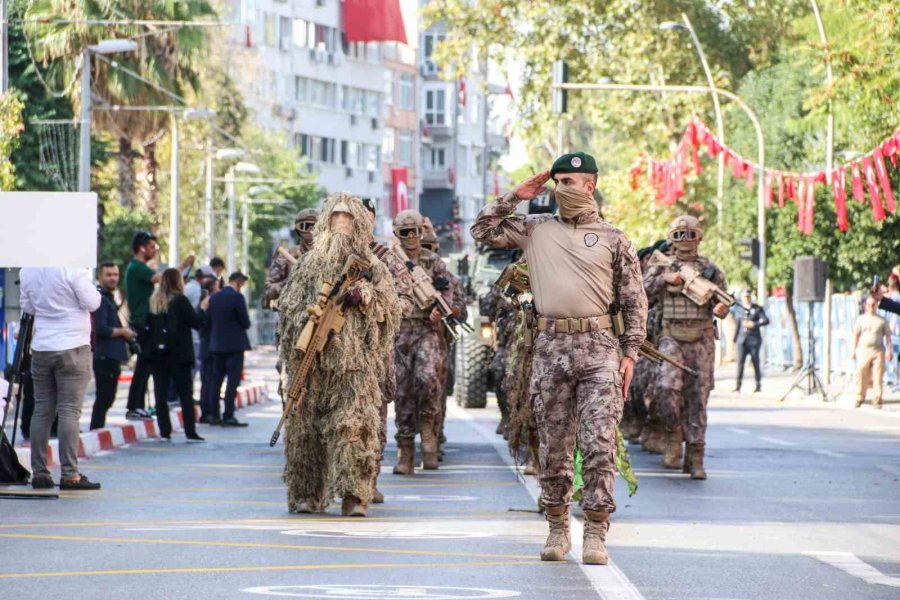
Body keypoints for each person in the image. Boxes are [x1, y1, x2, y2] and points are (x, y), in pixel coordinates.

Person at [472, 152, 647, 566]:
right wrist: (517, 194)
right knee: (553, 445)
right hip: (550, 348)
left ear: (591, 185)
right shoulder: (534, 230)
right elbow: (482, 230)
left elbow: (635, 300)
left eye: (571, 181)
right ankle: (556, 527)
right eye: (558, 181)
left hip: (600, 348)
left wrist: (631, 353)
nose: (562, 189)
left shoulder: (614, 238)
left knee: (599, 442)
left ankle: (596, 531)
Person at [277, 193, 400, 516]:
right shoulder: (309, 264)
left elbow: (391, 309)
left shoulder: (372, 266)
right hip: (311, 361)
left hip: (354, 365)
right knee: (305, 430)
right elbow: (288, 310)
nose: (341, 226)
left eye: (348, 220)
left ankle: (354, 495)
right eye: (336, 219)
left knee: (353, 428)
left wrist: (366, 296)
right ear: (325, 223)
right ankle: (306, 493)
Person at [643, 216, 729, 479]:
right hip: (671, 336)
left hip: (701, 337)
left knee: (698, 398)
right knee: (666, 387)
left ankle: (695, 455)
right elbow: (641, 291)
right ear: (671, 238)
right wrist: (666, 279)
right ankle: (672, 434)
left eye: (690, 234)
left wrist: (721, 309)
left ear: (699, 237)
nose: (684, 240)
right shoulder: (660, 266)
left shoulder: (711, 270)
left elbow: (722, 302)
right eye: (679, 235)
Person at [20, 267, 102, 490]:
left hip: (42, 347)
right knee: (68, 410)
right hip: (73, 346)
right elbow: (93, 302)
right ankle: (69, 474)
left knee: (42, 410)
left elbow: (27, 307)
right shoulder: (72, 269)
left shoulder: (28, 270)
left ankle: (39, 472)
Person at [391, 209, 454, 474]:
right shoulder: (389, 262)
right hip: (399, 332)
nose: (411, 237)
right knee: (402, 390)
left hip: (427, 330)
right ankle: (405, 451)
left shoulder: (434, 261)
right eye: (405, 232)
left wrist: (442, 308)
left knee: (428, 379)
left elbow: (447, 290)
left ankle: (428, 430)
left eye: (415, 231)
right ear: (398, 234)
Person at [125, 231, 194, 420]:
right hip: (141, 321)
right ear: (142, 248)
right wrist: (184, 265)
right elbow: (164, 278)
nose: (155, 251)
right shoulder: (137, 267)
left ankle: (136, 405)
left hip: (144, 320)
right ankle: (133, 406)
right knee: (144, 364)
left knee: (146, 364)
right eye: (152, 247)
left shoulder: (139, 268)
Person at [142, 268, 208, 442]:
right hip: (180, 354)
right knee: (185, 394)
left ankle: (165, 431)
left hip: (158, 355)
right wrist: (202, 307)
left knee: (160, 394)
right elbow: (196, 323)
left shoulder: (154, 302)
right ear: (178, 282)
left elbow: (147, 328)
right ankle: (190, 431)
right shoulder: (181, 301)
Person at [90, 263, 136, 430]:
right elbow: (101, 329)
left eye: (115, 275)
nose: (113, 278)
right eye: (108, 275)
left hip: (112, 356)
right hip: (104, 355)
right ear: (100, 277)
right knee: (104, 397)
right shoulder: (99, 299)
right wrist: (123, 331)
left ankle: (97, 429)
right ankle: (96, 429)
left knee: (108, 397)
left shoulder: (109, 297)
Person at [208, 271, 252, 427]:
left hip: (217, 345)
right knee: (232, 382)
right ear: (239, 282)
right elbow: (245, 322)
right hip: (234, 346)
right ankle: (228, 415)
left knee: (216, 381)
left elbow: (208, 321)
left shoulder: (214, 297)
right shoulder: (238, 298)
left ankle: (214, 415)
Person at [265, 208, 319, 309]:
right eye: (305, 226)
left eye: (315, 226)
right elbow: (268, 293)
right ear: (298, 229)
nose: (310, 230)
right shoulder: (285, 256)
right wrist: (290, 281)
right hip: (292, 318)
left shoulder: (330, 257)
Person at [852, 295, 892, 409]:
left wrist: (889, 350)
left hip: (878, 349)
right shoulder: (861, 319)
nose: (871, 307)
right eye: (869, 305)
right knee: (861, 372)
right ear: (865, 306)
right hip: (864, 349)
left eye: (873, 305)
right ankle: (860, 397)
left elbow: (888, 337)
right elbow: (856, 335)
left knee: (878, 375)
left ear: (876, 306)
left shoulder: (882, 320)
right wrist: (853, 349)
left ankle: (877, 399)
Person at [733, 290, 770, 394]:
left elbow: (766, 320)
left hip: (754, 340)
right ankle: (738, 386)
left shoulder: (757, 309)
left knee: (755, 362)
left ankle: (758, 385)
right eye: (744, 297)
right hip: (742, 340)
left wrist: (754, 324)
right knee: (740, 363)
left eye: (748, 297)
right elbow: (738, 325)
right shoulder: (740, 310)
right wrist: (735, 339)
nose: (746, 299)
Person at [198, 276, 222, 425]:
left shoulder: (206, 303)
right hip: (209, 349)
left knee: (208, 381)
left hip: (209, 347)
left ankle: (209, 411)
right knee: (210, 381)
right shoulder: (207, 304)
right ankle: (208, 412)